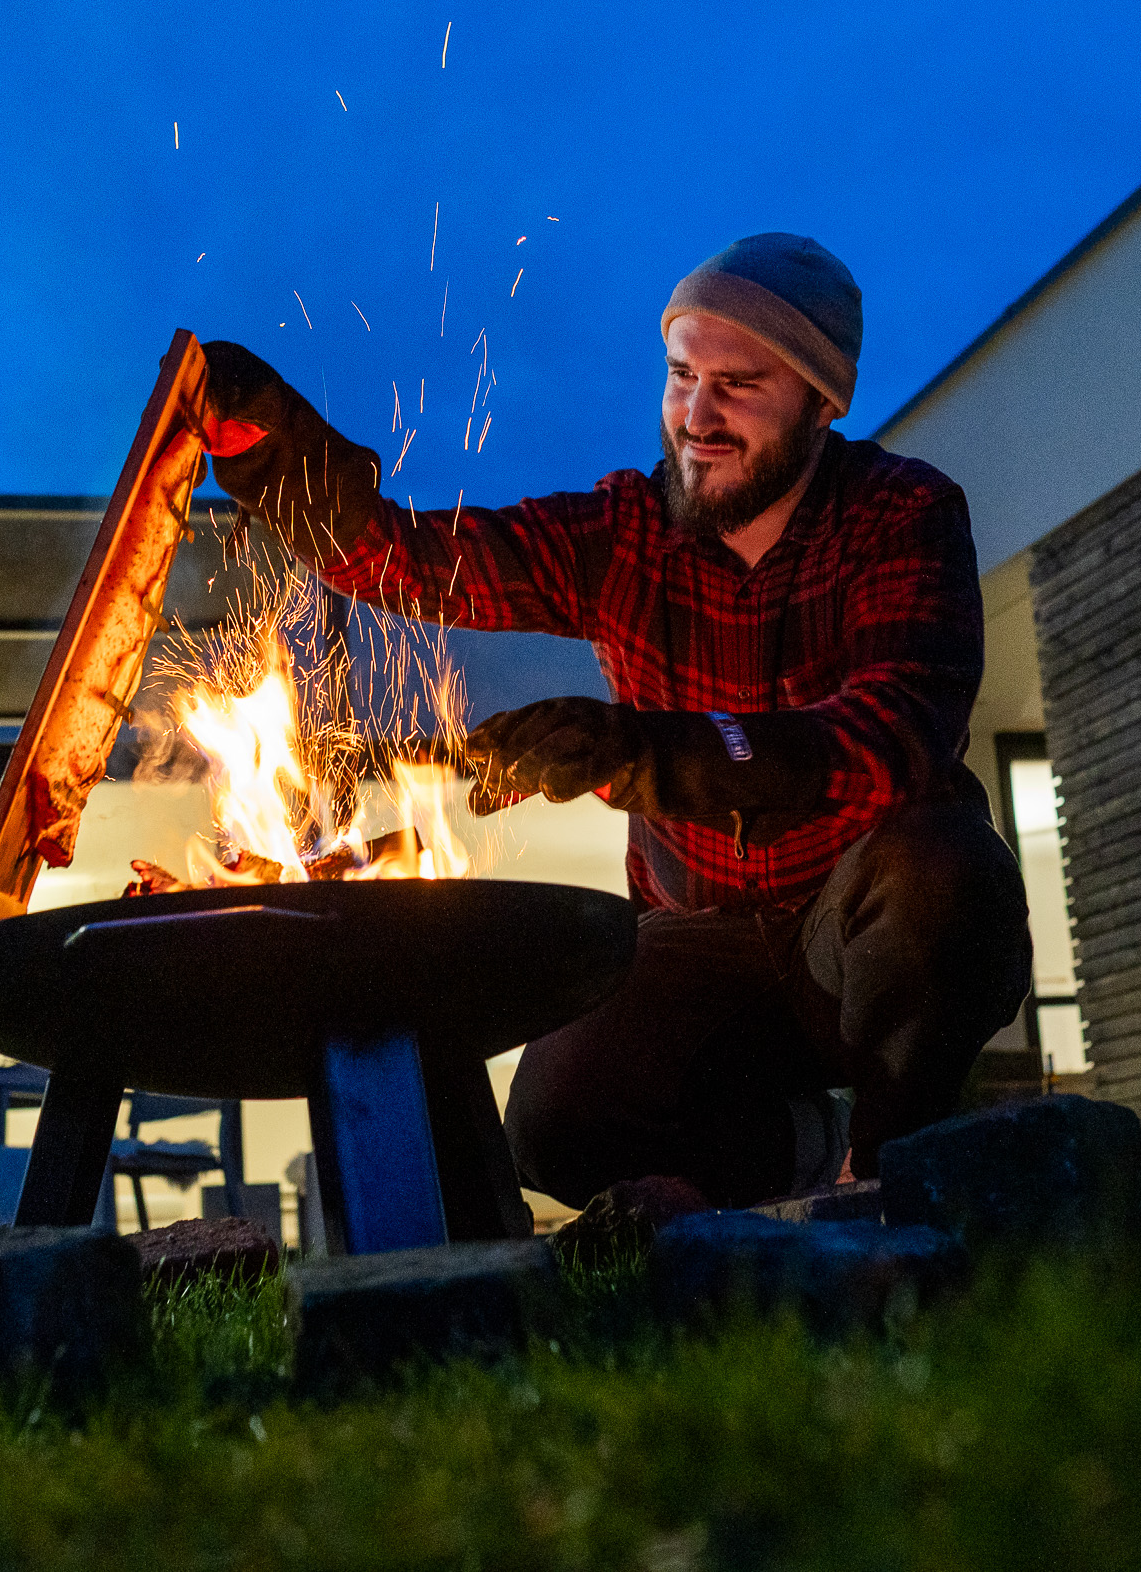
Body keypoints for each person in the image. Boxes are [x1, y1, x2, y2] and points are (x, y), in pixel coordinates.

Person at [197, 232, 1032, 1207]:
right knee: (553, 1125)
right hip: (702, 940)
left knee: (943, 871)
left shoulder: (899, 514)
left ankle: (897, 1176)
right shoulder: (624, 530)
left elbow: (890, 738)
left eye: (740, 383)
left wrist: (648, 750)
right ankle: (791, 1162)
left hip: (861, 929)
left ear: (821, 398)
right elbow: (416, 561)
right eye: (682, 374)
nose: (697, 416)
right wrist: (275, 455)